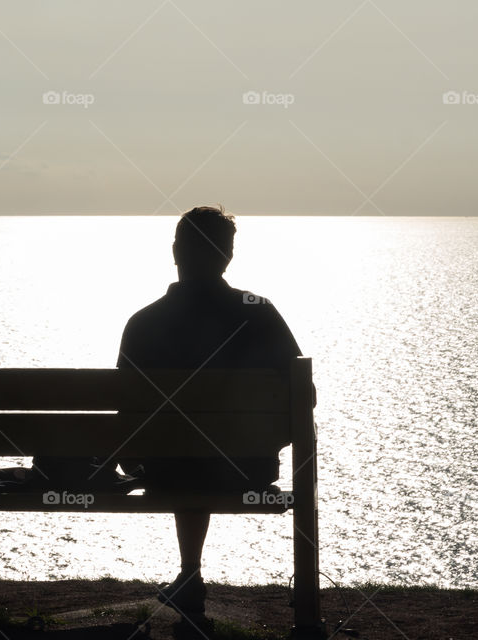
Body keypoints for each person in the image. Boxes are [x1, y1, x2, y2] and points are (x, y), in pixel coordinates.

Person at [115, 205, 309, 615]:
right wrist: (268, 441)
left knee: (184, 457)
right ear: (228, 255)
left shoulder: (143, 322)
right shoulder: (259, 311)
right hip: (247, 470)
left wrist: (135, 459)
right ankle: (303, 609)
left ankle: (190, 573)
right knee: (197, 456)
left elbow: (124, 410)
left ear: (175, 251)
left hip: (166, 471)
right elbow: (302, 396)